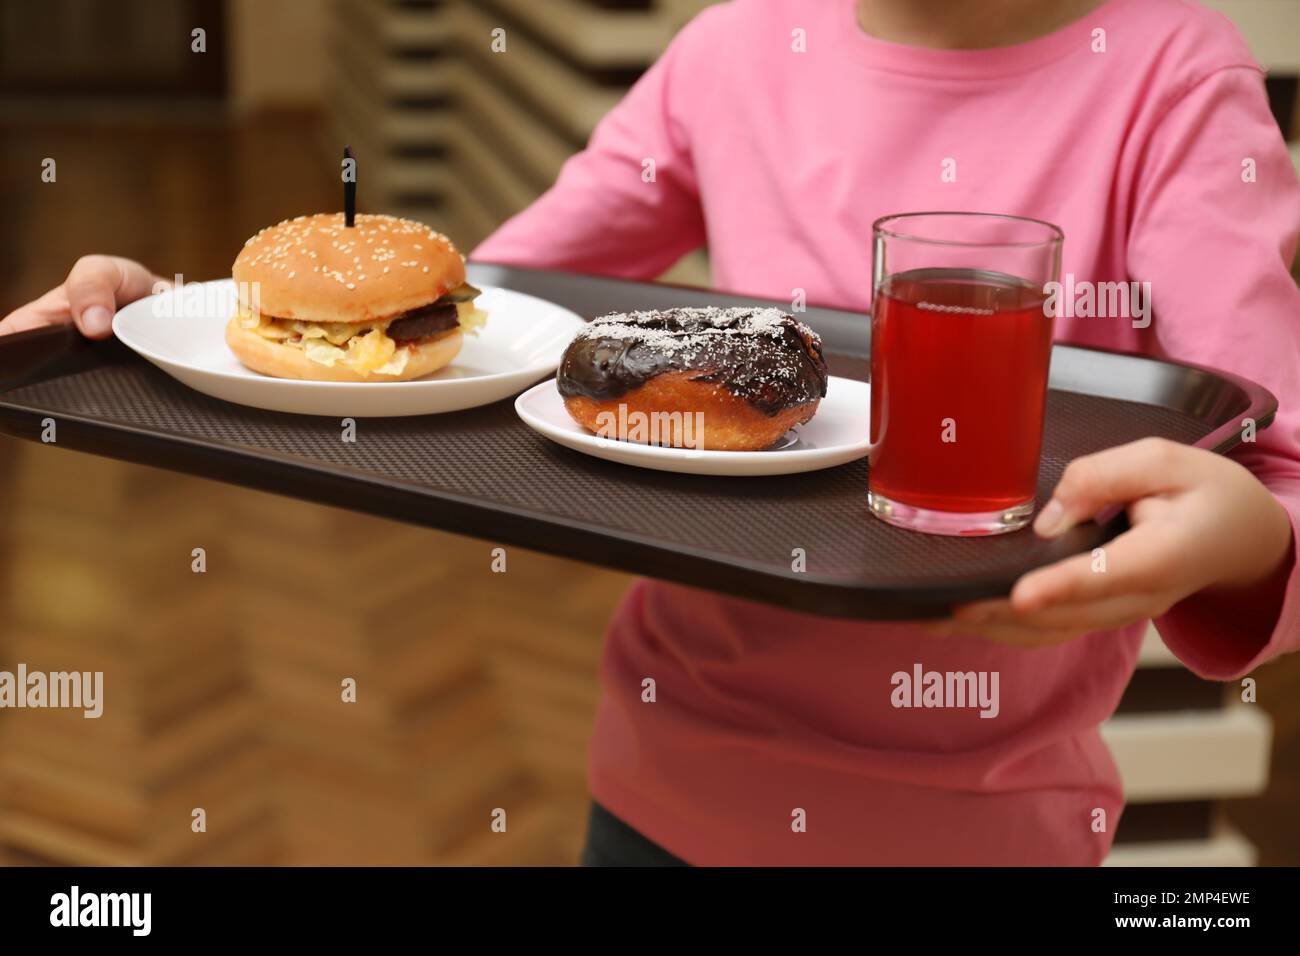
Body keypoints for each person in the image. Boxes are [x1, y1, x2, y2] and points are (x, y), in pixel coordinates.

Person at [5, 0, 1299, 865]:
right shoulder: (736, 45)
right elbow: (473, 317)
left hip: (990, 827)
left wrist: (1251, 545)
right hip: (664, 782)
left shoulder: (1175, 72)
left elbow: (1276, 464)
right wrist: (176, 311)